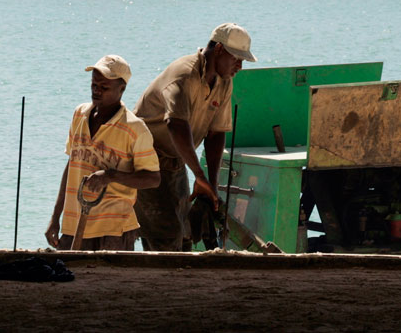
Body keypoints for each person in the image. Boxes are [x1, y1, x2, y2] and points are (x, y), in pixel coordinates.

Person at [132, 23, 256, 251]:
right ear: (218, 49)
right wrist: (198, 174)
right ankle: (163, 285)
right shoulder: (184, 74)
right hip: (144, 159)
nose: (239, 66)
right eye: (236, 58)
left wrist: (211, 183)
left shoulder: (224, 82)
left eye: (243, 61)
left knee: (186, 234)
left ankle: (181, 283)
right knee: (165, 235)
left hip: (177, 159)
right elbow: (175, 124)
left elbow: (216, 133)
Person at [45, 55, 160, 251]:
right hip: (74, 224)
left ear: (121, 89)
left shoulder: (135, 129)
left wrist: (110, 176)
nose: (97, 91)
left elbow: (153, 178)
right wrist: (55, 218)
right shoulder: (80, 114)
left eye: (104, 87)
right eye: (94, 85)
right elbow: (71, 166)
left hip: (113, 230)